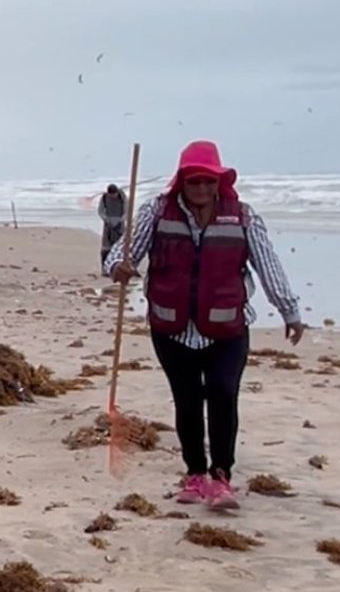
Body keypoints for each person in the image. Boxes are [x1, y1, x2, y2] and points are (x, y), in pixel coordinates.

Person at [104, 140, 304, 510]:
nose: (201, 189)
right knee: (188, 400)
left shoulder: (243, 216)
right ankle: (195, 474)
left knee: (223, 392)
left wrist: (289, 311)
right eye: (193, 181)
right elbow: (124, 250)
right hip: (172, 328)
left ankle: (221, 476)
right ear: (181, 181)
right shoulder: (156, 211)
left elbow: (267, 263)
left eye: (208, 181)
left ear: (219, 182)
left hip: (228, 328)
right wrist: (118, 266)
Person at [98, 183, 127, 265]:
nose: (112, 197)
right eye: (110, 195)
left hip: (120, 224)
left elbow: (126, 209)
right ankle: (104, 267)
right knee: (106, 247)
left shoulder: (122, 196)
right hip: (108, 224)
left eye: (113, 195)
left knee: (120, 246)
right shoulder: (104, 197)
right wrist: (106, 220)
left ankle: (119, 265)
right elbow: (100, 211)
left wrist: (121, 220)